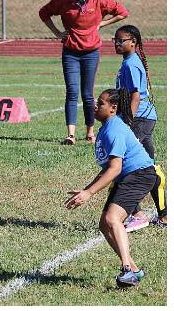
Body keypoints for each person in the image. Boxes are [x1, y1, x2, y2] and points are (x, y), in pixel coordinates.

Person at [65, 88, 156, 288]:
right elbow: (109, 168)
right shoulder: (106, 128)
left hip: (140, 175)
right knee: (104, 225)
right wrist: (85, 190)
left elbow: (115, 169)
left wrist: (89, 193)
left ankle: (126, 270)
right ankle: (134, 270)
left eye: (101, 103)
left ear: (113, 108)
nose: (96, 106)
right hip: (128, 176)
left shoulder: (114, 128)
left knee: (112, 219)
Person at [39, 0, 128, 145]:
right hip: (70, 53)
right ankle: (70, 135)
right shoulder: (65, 1)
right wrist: (57, 33)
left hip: (91, 53)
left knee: (87, 95)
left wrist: (102, 23)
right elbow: (44, 13)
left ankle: (90, 132)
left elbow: (123, 12)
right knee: (72, 92)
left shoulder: (99, 1)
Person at [113, 24, 167, 230]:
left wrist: (127, 122)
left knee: (124, 163)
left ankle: (137, 213)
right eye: (115, 40)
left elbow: (135, 96)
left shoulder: (131, 64)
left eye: (121, 40)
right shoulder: (128, 62)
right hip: (143, 119)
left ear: (133, 42)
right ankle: (164, 215)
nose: (117, 44)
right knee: (148, 166)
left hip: (140, 120)